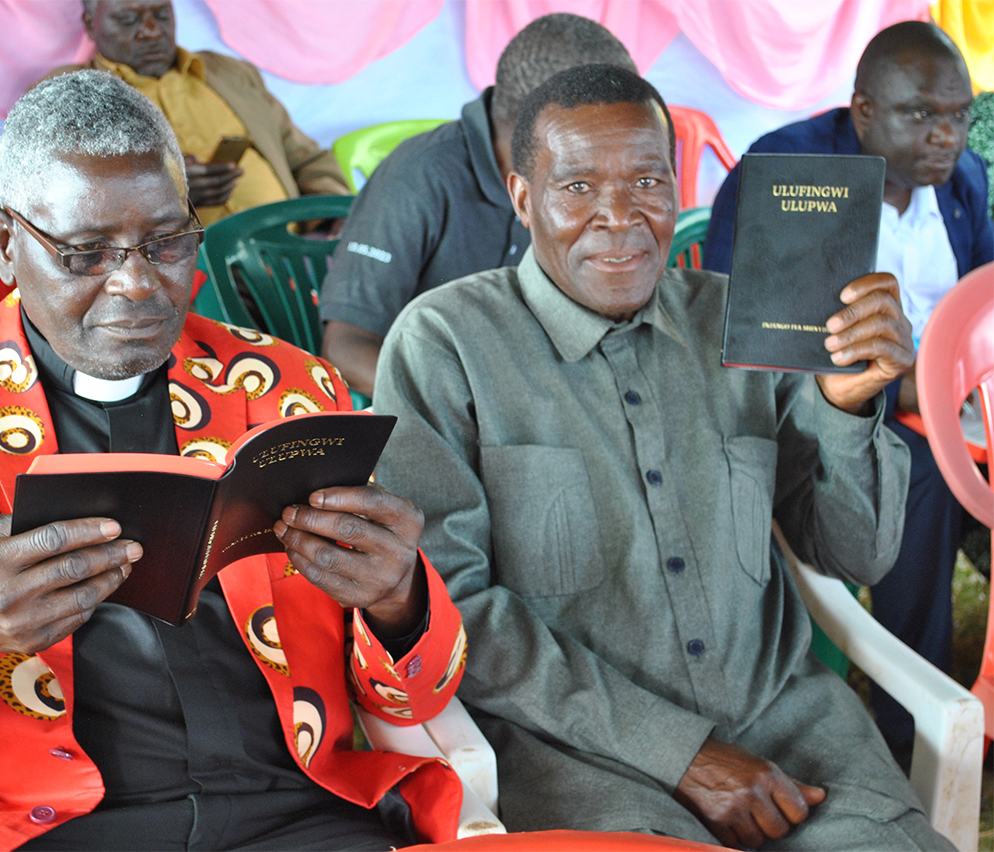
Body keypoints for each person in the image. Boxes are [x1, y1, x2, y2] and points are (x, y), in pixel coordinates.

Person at [0, 71, 467, 851]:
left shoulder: (289, 388)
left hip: (299, 817)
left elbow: (427, 691)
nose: (138, 284)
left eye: (168, 241)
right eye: (85, 253)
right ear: (8, 246)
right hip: (39, 831)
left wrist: (399, 598)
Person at [373, 63, 952, 850]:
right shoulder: (446, 344)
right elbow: (453, 608)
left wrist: (848, 408)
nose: (619, 216)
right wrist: (680, 754)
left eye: (647, 180)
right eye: (576, 187)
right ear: (522, 198)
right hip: (582, 760)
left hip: (790, 731)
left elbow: (858, 555)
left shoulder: (742, 321)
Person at [703, 21, 993, 765]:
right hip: (832, 409)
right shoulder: (791, 172)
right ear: (863, 110)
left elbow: (981, 309)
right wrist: (895, 392)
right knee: (918, 482)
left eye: (959, 114)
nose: (947, 135)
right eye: (921, 114)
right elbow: (754, 342)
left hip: (948, 402)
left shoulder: (965, 183)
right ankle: (916, 727)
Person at [319, 13, 637, 398]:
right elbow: (346, 349)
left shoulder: (587, 181)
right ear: (535, 131)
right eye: (593, 136)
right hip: (450, 413)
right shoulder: (419, 177)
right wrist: (475, 408)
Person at [46, 0, 349, 228]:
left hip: (291, 253)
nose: (152, 31)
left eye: (162, 15)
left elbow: (306, 159)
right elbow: (67, 205)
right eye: (128, 20)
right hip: (184, 279)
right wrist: (165, 195)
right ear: (90, 25)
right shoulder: (70, 96)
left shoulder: (227, 73)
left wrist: (340, 218)